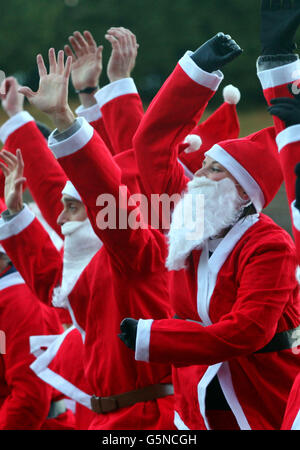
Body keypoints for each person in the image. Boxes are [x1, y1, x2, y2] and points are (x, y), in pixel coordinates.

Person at [118, 2, 300, 430]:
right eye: (202, 165)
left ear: (242, 190)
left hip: (261, 395)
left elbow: (247, 332)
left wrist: (153, 337)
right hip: (194, 398)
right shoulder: (192, 219)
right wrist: (196, 72)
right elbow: (151, 144)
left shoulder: (270, 244)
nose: (197, 172)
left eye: (213, 168)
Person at [0, 47, 175, 430]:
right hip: (102, 419)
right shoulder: (94, 268)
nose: (59, 218)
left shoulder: (138, 253)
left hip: (147, 422)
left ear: (102, 215)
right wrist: (14, 215)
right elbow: (50, 280)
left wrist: (64, 117)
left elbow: (105, 190)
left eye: (72, 208)